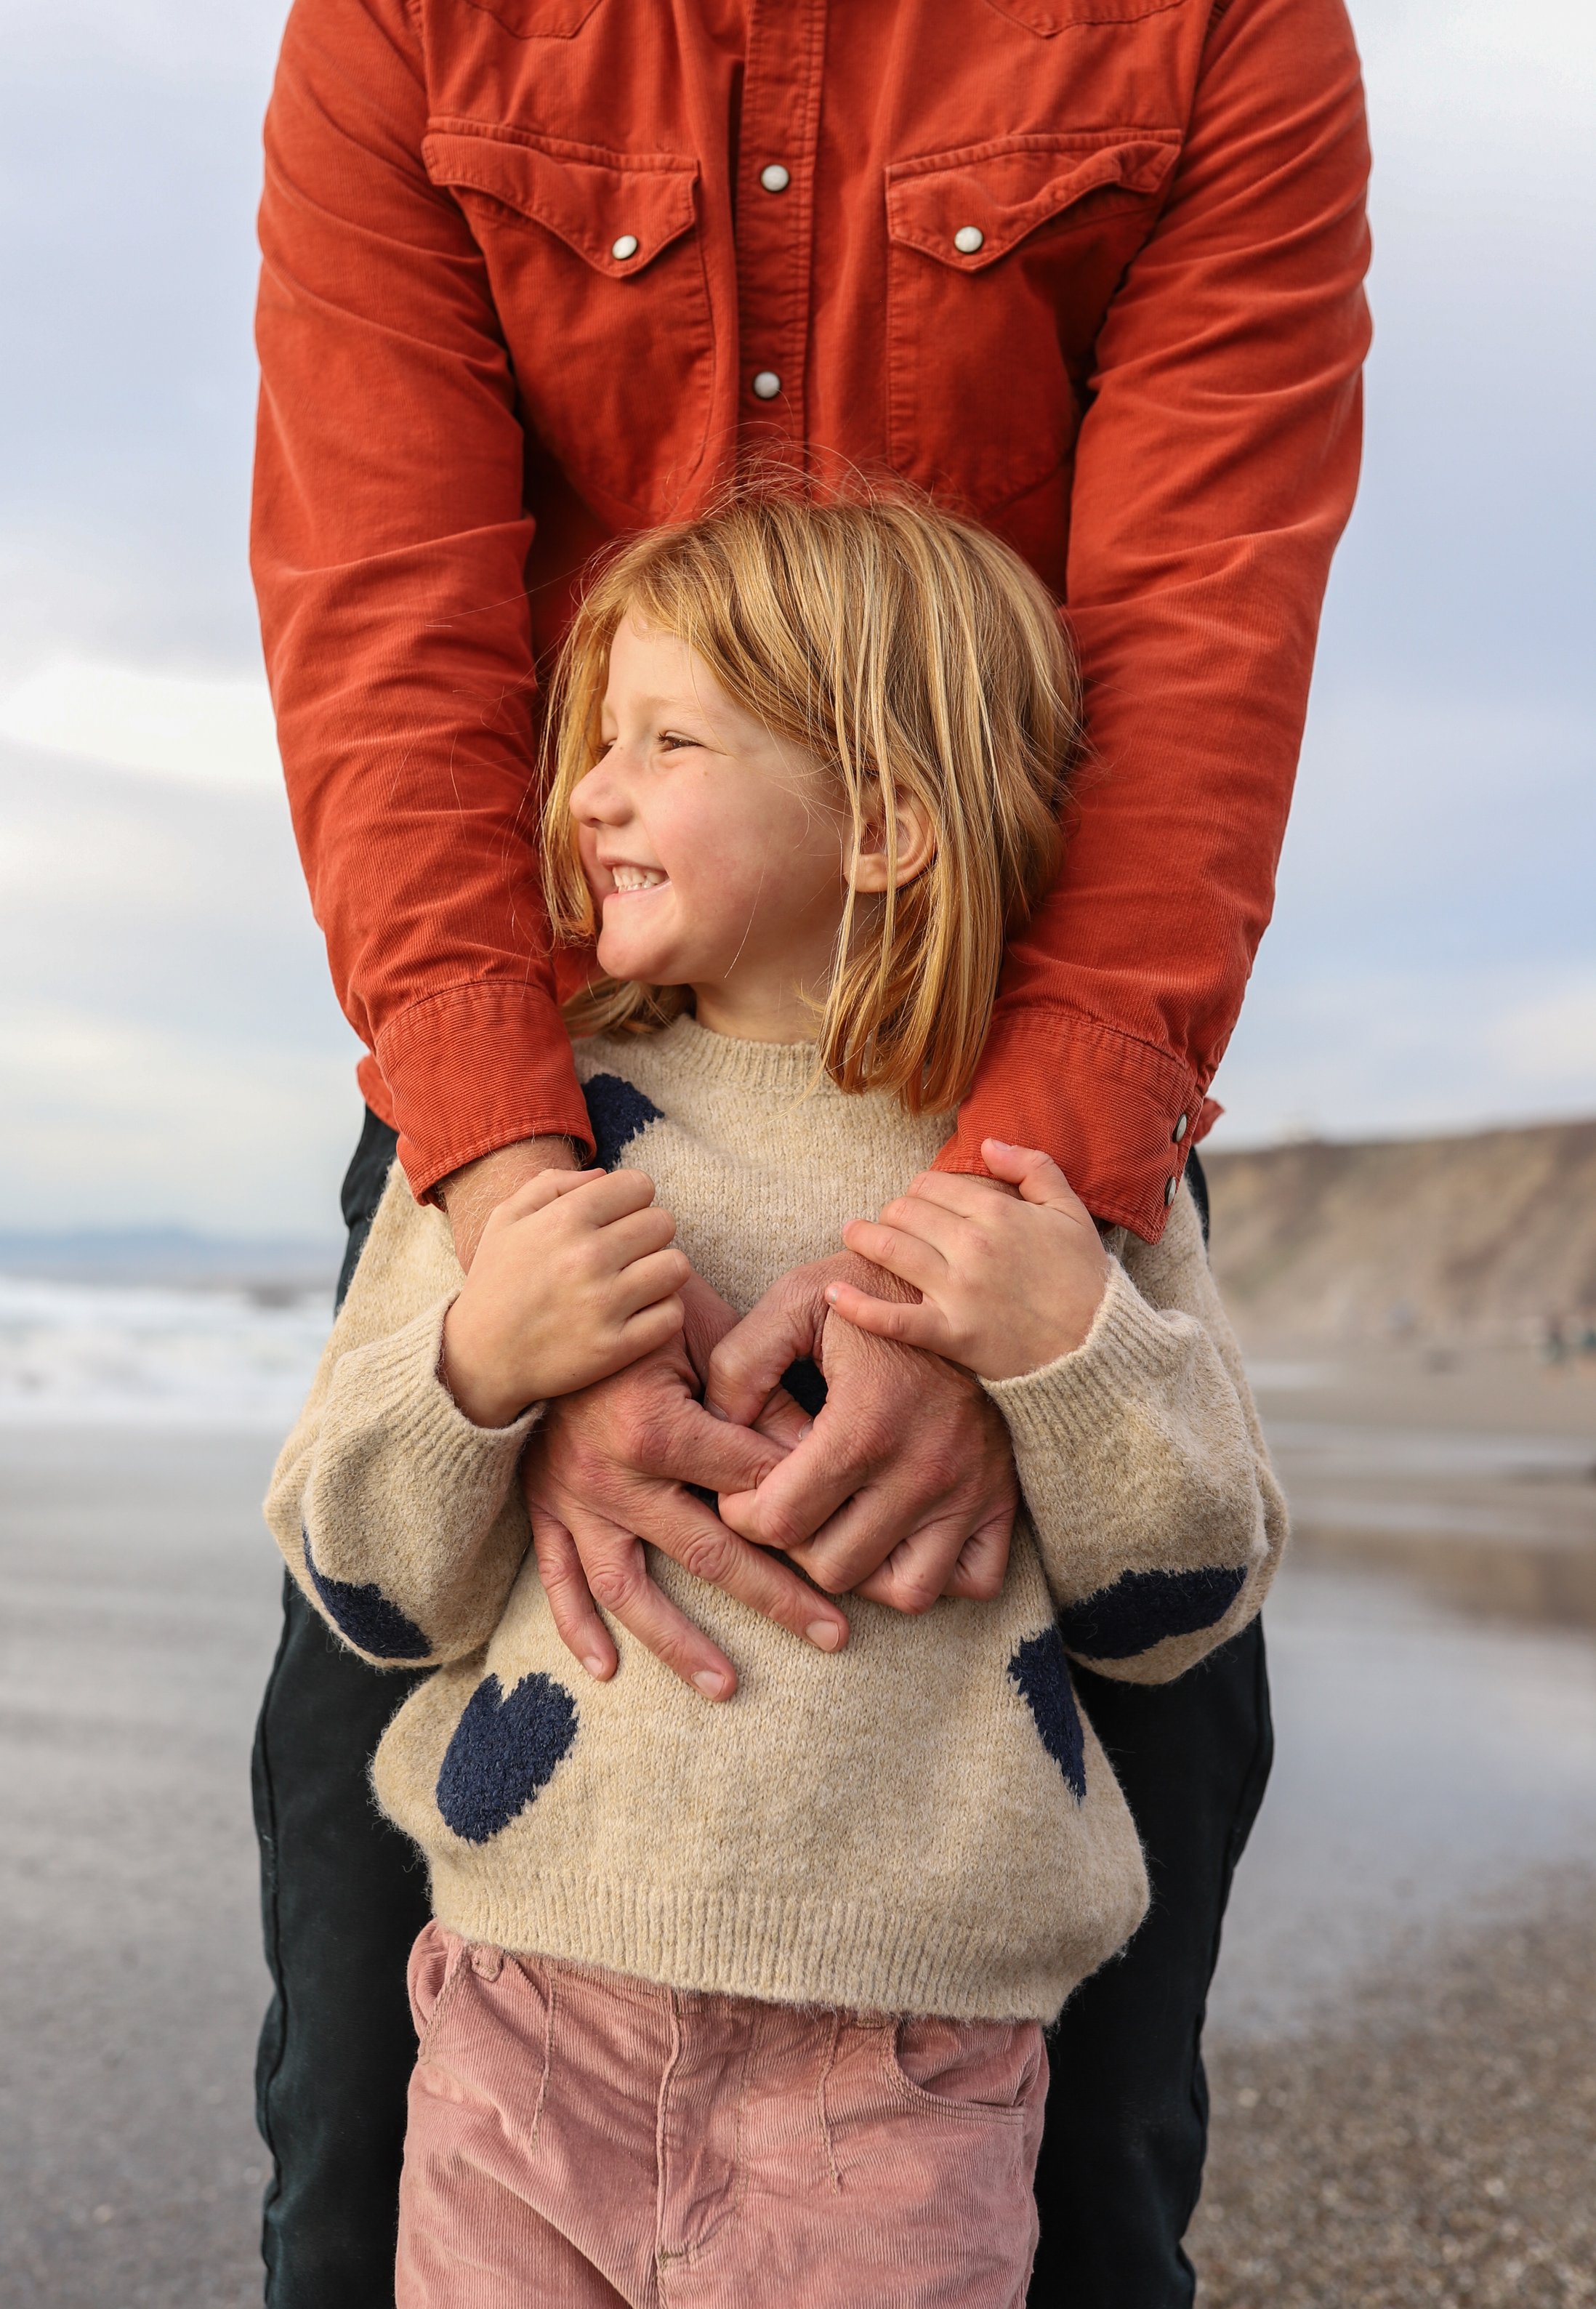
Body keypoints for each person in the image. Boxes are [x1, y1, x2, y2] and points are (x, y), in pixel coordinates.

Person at [248, 2, 1369, 2300]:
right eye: (612, 734)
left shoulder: (1222, 30)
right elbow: (389, 628)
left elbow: (1194, 647)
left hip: (1039, 1120)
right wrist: (510, 1264)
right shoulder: (401, 26)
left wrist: (1014, 1295)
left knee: (1095, 2150)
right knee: (353, 2109)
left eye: (658, 739)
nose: (602, 775)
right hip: (520, 1115)